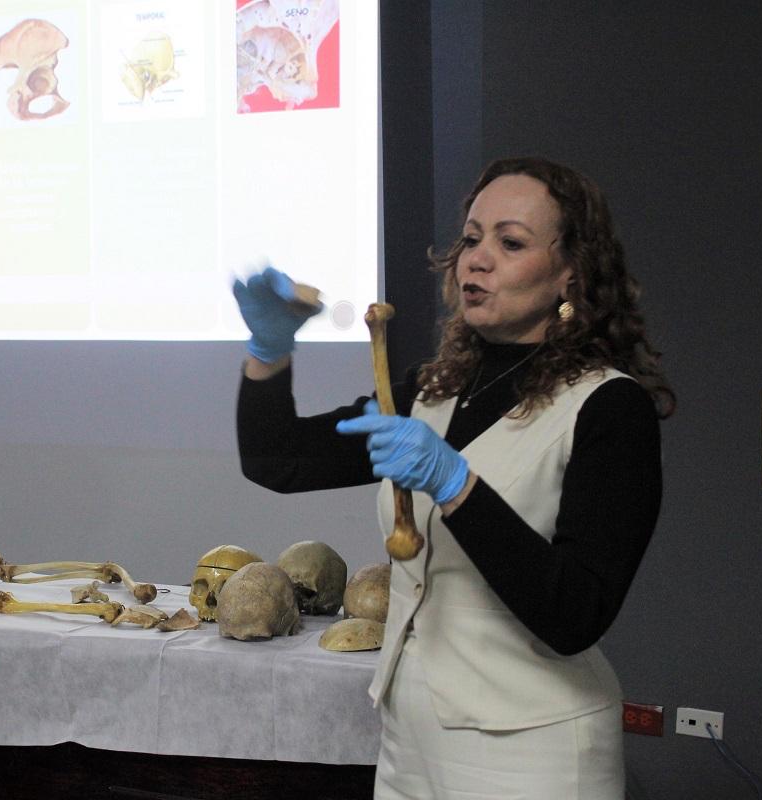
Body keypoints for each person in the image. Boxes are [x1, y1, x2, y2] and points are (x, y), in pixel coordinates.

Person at [232, 156, 674, 800]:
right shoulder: (432, 391)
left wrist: (457, 486)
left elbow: (575, 614)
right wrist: (268, 351)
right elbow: (278, 461)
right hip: (409, 743)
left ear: (571, 273)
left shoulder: (608, 407)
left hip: (534, 751)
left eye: (511, 242)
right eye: (471, 238)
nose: (477, 259)